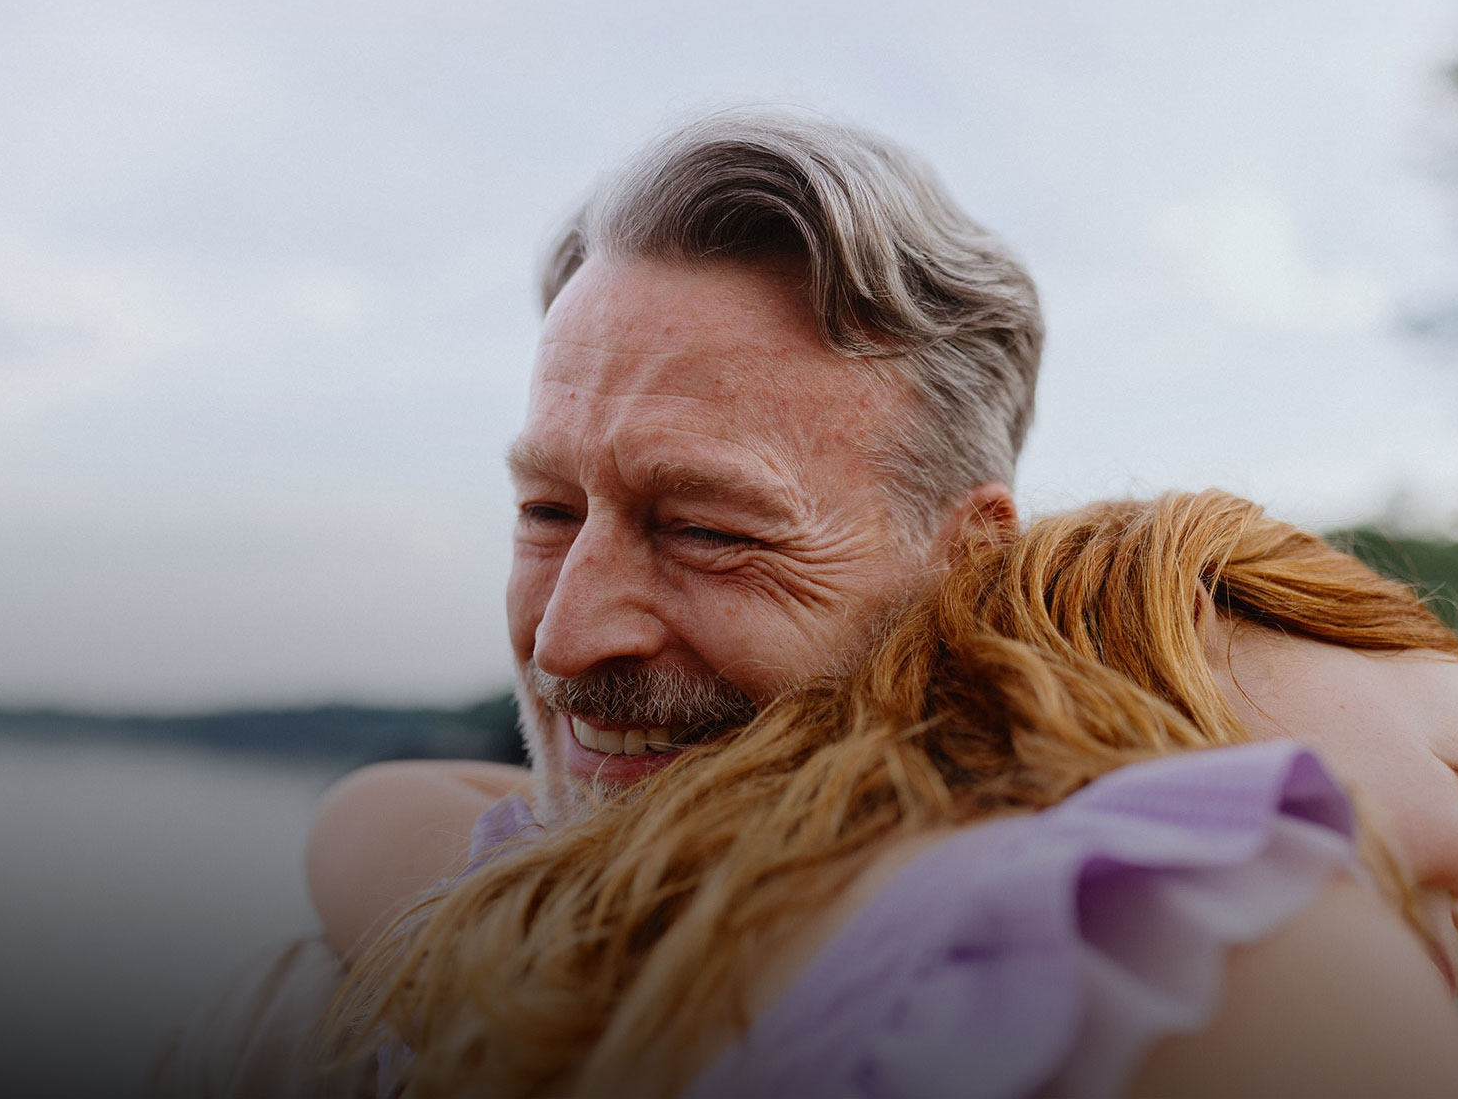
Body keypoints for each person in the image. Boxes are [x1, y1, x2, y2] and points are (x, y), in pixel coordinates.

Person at [149, 108, 1044, 1098]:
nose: (565, 642)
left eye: (705, 529)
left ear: (967, 565)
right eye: (545, 511)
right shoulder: (310, 1026)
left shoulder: (1109, 988)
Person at [328, 491, 1458, 1097]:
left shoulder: (584, 915)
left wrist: (779, 779)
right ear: (1210, 612)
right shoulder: (1247, 940)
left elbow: (374, 810)